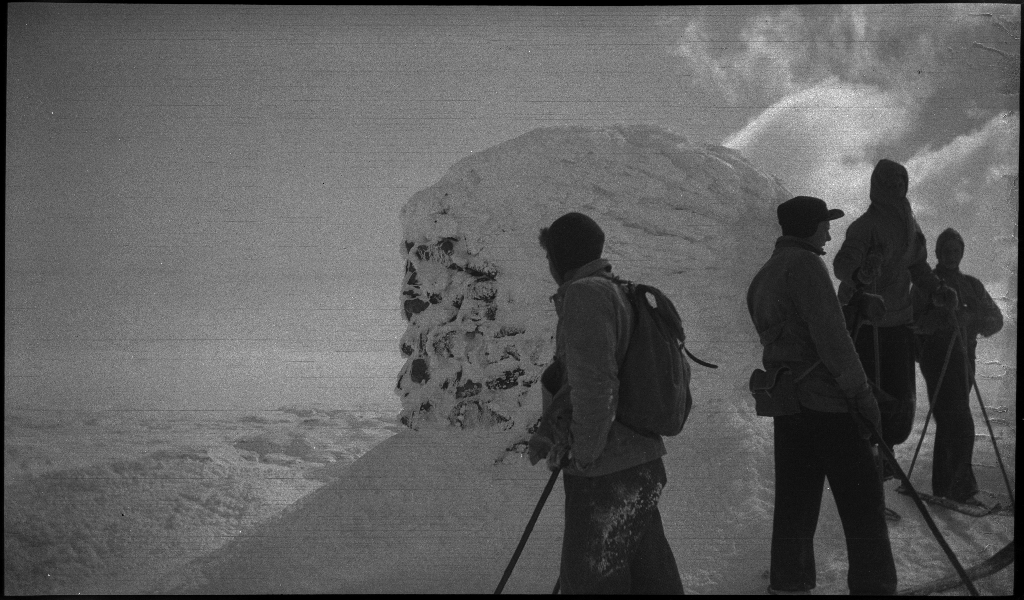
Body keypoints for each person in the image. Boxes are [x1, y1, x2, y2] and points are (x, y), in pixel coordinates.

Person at [527, 212, 685, 595]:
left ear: (556, 259)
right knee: (652, 579)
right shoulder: (617, 290)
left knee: (591, 582)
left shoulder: (584, 295)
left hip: (606, 473)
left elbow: (595, 385)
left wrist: (582, 453)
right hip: (641, 463)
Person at [747, 196, 897, 596]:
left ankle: (789, 584)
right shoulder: (806, 265)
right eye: (825, 223)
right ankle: (875, 586)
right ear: (810, 225)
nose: (829, 231)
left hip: (789, 406)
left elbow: (795, 336)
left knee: (795, 504)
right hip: (828, 406)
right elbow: (833, 342)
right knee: (863, 504)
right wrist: (863, 399)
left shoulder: (765, 274)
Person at [833, 159, 946, 474]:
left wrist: (937, 289)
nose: (897, 188)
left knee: (900, 401)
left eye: (901, 182)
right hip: (866, 324)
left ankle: (882, 457)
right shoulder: (864, 227)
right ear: (878, 186)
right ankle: (866, 465)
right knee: (871, 398)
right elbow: (842, 266)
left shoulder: (910, 224)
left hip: (898, 323)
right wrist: (861, 271)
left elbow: (918, 266)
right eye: (890, 183)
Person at [910, 228, 1004, 504]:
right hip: (937, 358)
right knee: (960, 421)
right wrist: (939, 323)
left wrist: (973, 320)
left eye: (956, 251)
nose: (951, 256)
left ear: (961, 252)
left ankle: (944, 484)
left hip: (965, 356)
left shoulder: (972, 285)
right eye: (946, 251)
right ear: (937, 253)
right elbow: (911, 323)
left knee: (951, 420)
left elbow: (996, 319)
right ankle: (961, 488)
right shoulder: (927, 285)